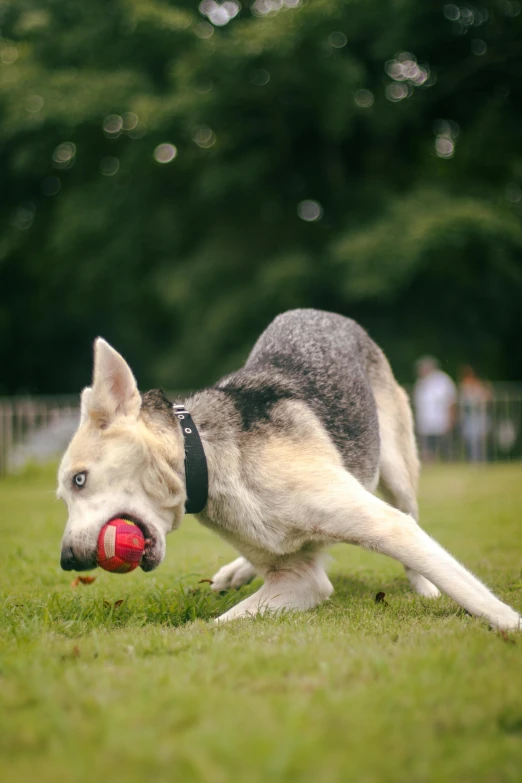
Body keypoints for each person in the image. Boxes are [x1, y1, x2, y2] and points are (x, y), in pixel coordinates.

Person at [413, 356, 457, 461]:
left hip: (441, 420)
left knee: (445, 446)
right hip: (425, 422)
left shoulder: (443, 380)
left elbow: (451, 401)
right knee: (428, 447)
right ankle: (431, 461)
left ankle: (448, 462)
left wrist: (451, 418)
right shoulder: (420, 383)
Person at [458, 365, 492, 463]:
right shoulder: (464, 386)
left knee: (481, 439)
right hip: (470, 416)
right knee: (471, 439)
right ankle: (474, 459)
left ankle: (483, 459)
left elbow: (487, 398)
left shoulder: (480, 385)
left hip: (479, 414)